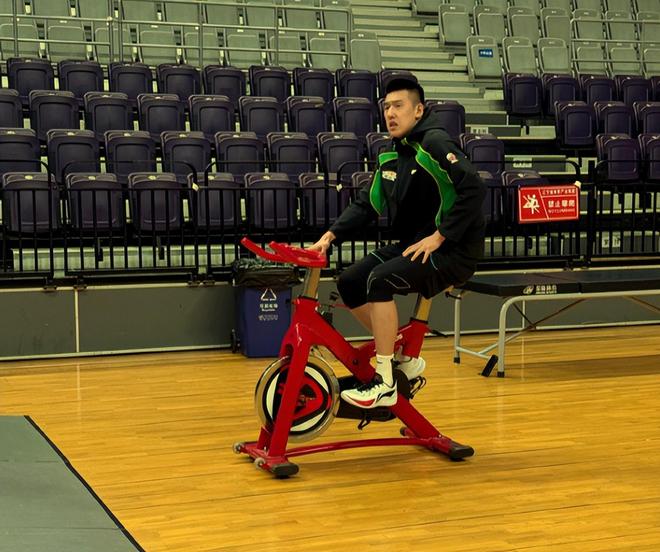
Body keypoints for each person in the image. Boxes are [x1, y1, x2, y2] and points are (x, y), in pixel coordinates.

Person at [309, 78, 486, 409]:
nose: (390, 113)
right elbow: (367, 204)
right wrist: (330, 236)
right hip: (414, 245)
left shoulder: (434, 143)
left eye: (398, 106)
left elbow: (474, 188)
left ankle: (385, 380)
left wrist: (441, 235)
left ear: (418, 111)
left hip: (453, 250)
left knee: (379, 280)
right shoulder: (391, 154)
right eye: (387, 106)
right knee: (350, 281)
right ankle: (399, 356)